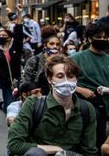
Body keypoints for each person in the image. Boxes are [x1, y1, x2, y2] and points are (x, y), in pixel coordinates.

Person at [7, 56, 97, 156]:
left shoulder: (86, 109)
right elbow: (14, 144)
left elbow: (89, 151)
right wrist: (56, 149)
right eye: (60, 76)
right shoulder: (33, 104)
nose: (66, 81)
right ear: (50, 79)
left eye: (71, 76)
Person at [71, 22, 109, 151]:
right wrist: (80, 89)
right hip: (85, 106)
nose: (103, 40)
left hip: (105, 106)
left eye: (105, 37)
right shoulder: (76, 58)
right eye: (98, 37)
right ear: (89, 38)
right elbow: (61, 81)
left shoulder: (108, 59)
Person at [0, 6, 25, 112]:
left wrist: (19, 13)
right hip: (3, 81)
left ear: (9, 38)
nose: (1, 37)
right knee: (10, 108)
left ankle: (3, 103)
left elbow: (18, 31)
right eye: (0, 35)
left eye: (4, 35)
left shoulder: (15, 49)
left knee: (13, 107)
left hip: (14, 82)